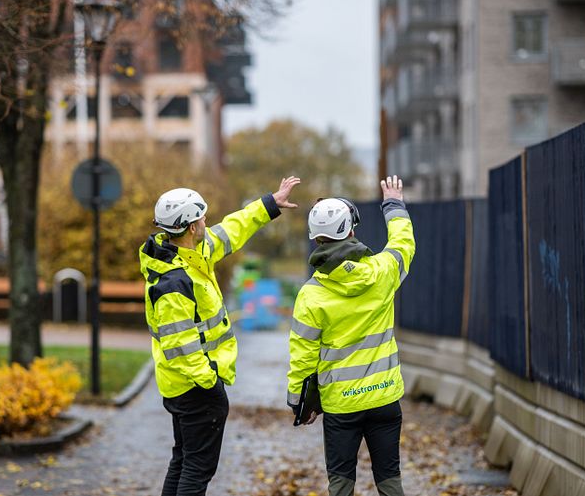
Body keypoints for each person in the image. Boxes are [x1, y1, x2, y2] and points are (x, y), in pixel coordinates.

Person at [140, 176, 300, 496]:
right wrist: (210, 383)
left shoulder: (192, 253)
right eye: (201, 217)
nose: (205, 221)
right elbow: (180, 346)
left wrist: (269, 204)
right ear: (189, 227)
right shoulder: (174, 282)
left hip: (184, 385)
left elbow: (232, 229)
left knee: (183, 460)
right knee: (197, 469)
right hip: (195, 388)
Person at [286, 175, 416, 496]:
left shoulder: (311, 295)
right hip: (385, 398)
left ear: (317, 240)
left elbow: (302, 355)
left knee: (341, 484)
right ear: (351, 231)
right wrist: (394, 204)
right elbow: (403, 244)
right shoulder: (383, 273)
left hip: (341, 407)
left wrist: (299, 401)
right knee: (390, 479)